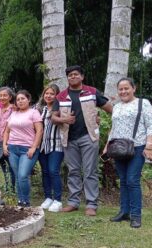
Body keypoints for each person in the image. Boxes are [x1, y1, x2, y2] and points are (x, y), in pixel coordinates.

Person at [51, 65, 112, 216]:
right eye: (70, 75)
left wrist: (105, 123)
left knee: (90, 171)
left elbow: (111, 110)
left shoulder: (92, 93)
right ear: (68, 78)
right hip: (69, 139)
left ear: (82, 77)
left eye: (76, 74)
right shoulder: (61, 96)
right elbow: (53, 117)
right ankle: (73, 202)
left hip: (88, 137)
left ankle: (91, 204)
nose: (73, 77)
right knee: (73, 171)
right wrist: (64, 119)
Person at [103, 78, 152, 228]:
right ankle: (124, 212)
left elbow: (150, 125)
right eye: (120, 89)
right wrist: (107, 146)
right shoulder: (116, 106)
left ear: (134, 88)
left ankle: (136, 215)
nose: (123, 91)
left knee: (132, 180)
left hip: (137, 147)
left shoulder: (143, 103)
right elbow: (114, 127)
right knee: (123, 180)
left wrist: (149, 146)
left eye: (126, 88)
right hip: (118, 148)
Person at [3, 90, 43, 207]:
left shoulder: (34, 112)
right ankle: (20, 201)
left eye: (23, 99)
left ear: (28, 99)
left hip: (28, 149)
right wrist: (5, 145)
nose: (20, 101)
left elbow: (39, 131)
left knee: (23, 175)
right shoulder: (13, 114)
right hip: (12, 149)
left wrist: (33, 148)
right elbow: (7, 131)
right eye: (18, 99)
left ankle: (25, 201)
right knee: (17, 175)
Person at [37, 84, 64, 212]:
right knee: (45, 172)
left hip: (57, 145)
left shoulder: (61, 109)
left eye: (52, 94)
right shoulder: (39, 109)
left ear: (57, 95)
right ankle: (48, 197)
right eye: (46, 93)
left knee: (54, 171)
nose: (48, 96)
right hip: (43, 146)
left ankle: (57, 200)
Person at [0, 87, 16, 192]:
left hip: (10, 142)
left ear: (10, 97)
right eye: (0, 95)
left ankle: (12, 189)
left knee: (12, 167)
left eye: (5, 95)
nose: (2, 97)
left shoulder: (14, 109)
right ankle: (9, 188)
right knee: (4, 168)